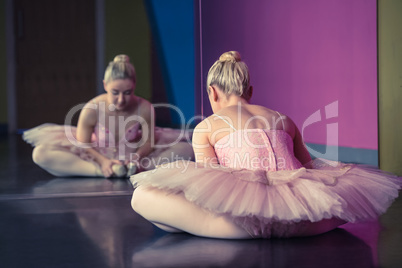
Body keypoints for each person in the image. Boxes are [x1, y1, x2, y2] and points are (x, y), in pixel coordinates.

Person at [130, 51, 401, 239]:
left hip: (246, 225)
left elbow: (206, 184)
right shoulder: (283, 119)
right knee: (339, 198)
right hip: (304, 219)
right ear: (250, 91)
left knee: (142, 197)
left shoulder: (208, 126)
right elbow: (308, 167)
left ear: (212, 92)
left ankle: (204, 228)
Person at [23, 54, 193, 178]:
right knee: (40, 153)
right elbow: (83, 143)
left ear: (134, 86)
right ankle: (100, 172)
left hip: (136, 158)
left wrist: (137, 157)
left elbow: (148, 142)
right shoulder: (92, 108)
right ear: (105, 85)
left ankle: (137, 169)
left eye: (127, 93)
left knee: (187, 149)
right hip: (98, 156)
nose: (121, 100)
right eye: (115, 92)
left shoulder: (145, 108)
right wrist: (103, 161)